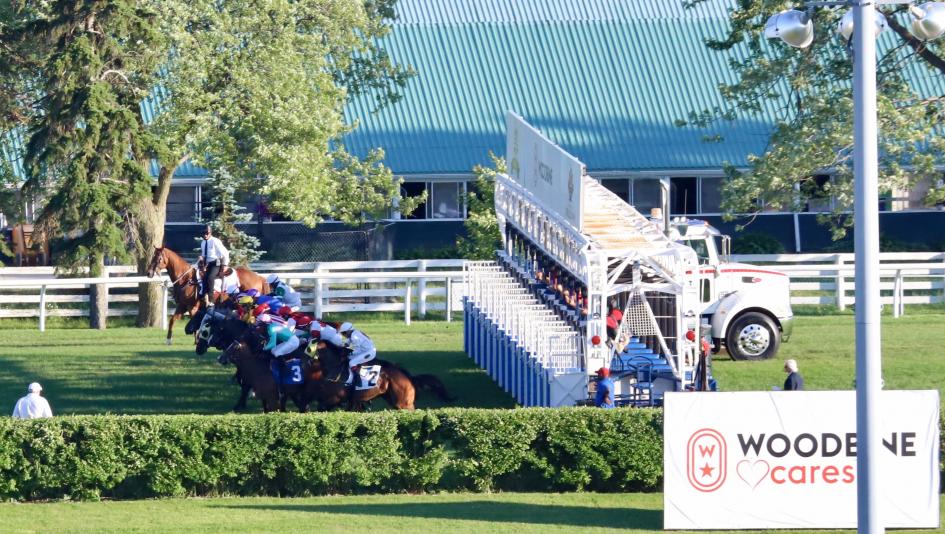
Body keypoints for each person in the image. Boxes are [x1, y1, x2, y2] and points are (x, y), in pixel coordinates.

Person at [197, 225, 229, 305]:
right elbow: (204, 255)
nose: (205, 235)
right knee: (204, 278)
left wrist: (225, 265)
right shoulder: (203, 243)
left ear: (210, 233)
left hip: (216, 263)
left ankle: (211, 299)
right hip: (208, 264)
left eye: (207, 233)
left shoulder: (215, 241)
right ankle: (204, 296)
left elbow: (225, 253)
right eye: (203, 233)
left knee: (210, 277)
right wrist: (202, 258)